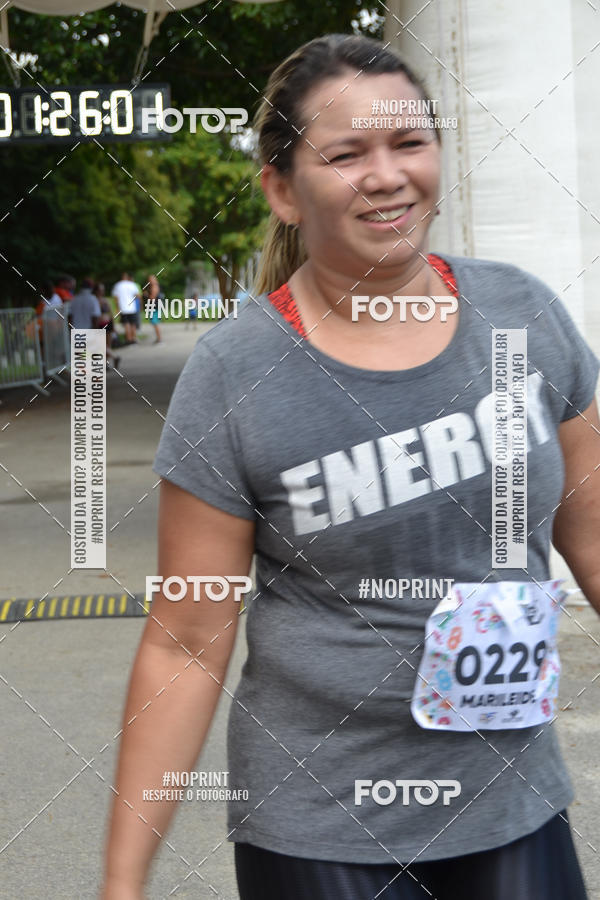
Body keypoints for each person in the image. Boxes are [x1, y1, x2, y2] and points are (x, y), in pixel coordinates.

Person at [100, 34, 600, 900]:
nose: (387, 174)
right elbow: (186, 642)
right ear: (283, 190)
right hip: (324, 828)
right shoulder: (236, 372)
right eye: (346, 154)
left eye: (408, 143)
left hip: (514, 805)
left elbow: (592, 534)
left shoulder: (525, 314)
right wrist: (122, 882)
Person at [93, 282, 121, 371]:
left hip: (106, 324)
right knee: (103, 345)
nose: (102, 292)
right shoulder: (95, 300)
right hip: (101, 324)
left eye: (103, 290)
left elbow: (111, 314)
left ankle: (107, 362)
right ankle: (109, 360)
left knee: (107, 345)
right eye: (100, 290)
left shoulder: (104, 300)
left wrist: (113, 326)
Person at [111, 272, 140, 344]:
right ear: (127, 277)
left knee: (126, 324)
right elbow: (138, 296)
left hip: (123, 308)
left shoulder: (117, 285)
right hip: (132, 307)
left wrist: (117, 307)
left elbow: (116, 298)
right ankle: (134, 338)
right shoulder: (132, 284)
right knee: (133, 324)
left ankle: (128, 339)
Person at [142, 274, 162, 344]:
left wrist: (146, 295)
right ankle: (158, 338)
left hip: (154, 307)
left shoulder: (154, 287)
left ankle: (159, 339)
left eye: (151, 279)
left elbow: (152, 298)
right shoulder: (154, 286)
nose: (149, 281)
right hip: (155, 307)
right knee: (155, 323)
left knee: (155, 323)